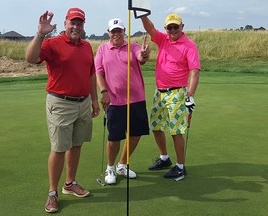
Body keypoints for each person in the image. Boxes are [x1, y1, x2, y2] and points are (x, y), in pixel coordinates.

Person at [25, 8, 100, 213]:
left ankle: (70, 183)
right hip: (60, 103)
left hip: (83, 103)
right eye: (72, 22)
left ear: (84, 26)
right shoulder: (52, 43)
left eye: (80, 23)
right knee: (59, 148)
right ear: (65, 23)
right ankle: (52, 193)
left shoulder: (86, 46)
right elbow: (31, 59)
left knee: (76, 145)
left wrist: (94, 100)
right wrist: (40, 34)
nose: (76, 26)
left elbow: (91, 74)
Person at [140, 14, 200, 181]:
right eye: (169, 27)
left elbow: (194, 72)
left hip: (177, 92)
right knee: (156, 126)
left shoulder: (189, 45)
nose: (172, 30)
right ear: (166, 28)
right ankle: (164, 158)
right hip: (160, 92)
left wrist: (190, 95)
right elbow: (149, 28)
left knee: (176, 131)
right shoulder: (163, 39)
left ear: (182, 27)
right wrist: (142, 14)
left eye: (176, 27)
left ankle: (180, 167)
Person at [95, 18, 150, 185]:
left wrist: (144, 54)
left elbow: (140, 57)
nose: (116, 34)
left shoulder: (132, 47)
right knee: (114, 138)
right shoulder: (102, 49)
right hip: (114, 101)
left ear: (124, 31)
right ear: (109, 32)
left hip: (136, 99)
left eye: (119, 30)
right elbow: (98, 73)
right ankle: (110, 167)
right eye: (113, 31)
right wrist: (104, 91)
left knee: (135, 135)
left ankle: (122, 164)